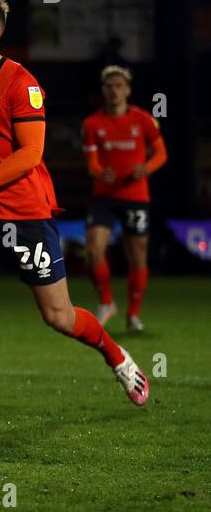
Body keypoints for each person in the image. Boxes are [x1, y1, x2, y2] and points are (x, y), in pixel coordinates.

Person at [0, 0, 149, 417]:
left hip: (26, 213)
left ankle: (117, 356)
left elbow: (30, 154)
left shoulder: (22, 83)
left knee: (59, 316)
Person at [82, 65, 166, 331]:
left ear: (128, 90)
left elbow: (161, 154)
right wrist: (99, 173)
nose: (114, 91)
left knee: (137, 255)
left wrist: (146, 168)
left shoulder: (143, 120)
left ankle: (133, 314)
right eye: (109, 86)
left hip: (135, 195)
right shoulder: (92, 123)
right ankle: (107, 302)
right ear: (103, 91)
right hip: (104, 197)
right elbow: (91, 164)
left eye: (119, 86)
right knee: (94, 249)